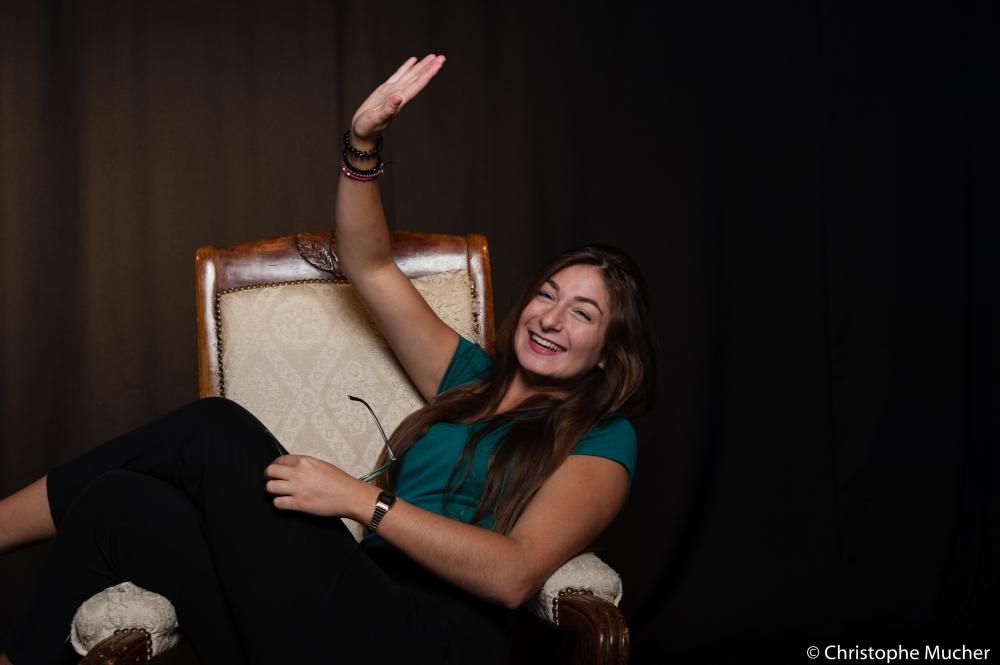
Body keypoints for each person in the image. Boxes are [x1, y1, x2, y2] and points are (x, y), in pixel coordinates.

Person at [0, 53, 656, 665]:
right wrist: (362, 142)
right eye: (547, 293)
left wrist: (362, 500)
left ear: (608, 355)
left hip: (428, 635)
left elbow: (513, 575)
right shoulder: (468, 378)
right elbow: (369, 265)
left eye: (583, 313)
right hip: (339, 607)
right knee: (118, 503)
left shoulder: (603, 437)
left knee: (215, 427)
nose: (551, 317)